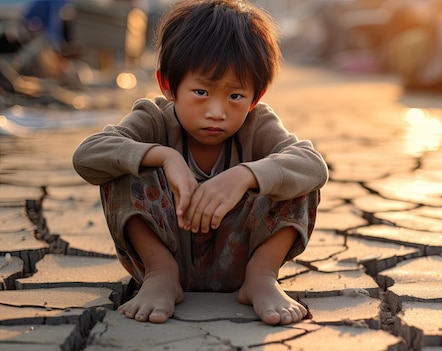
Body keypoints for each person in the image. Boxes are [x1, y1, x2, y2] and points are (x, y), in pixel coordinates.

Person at [72, 0, 328, 326]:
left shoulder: (257, 125)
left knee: (294, 175)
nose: (217, 112)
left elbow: (313, 165)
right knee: (122, 163)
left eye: (235, 96)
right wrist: (166, 157)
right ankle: (161, 275)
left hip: (239, 260)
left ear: (256, 97)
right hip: (168, 255)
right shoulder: (153, 119)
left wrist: (244, 175)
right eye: (201, 92)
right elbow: (88, 155)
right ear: (168, 85)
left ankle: (262, 278)